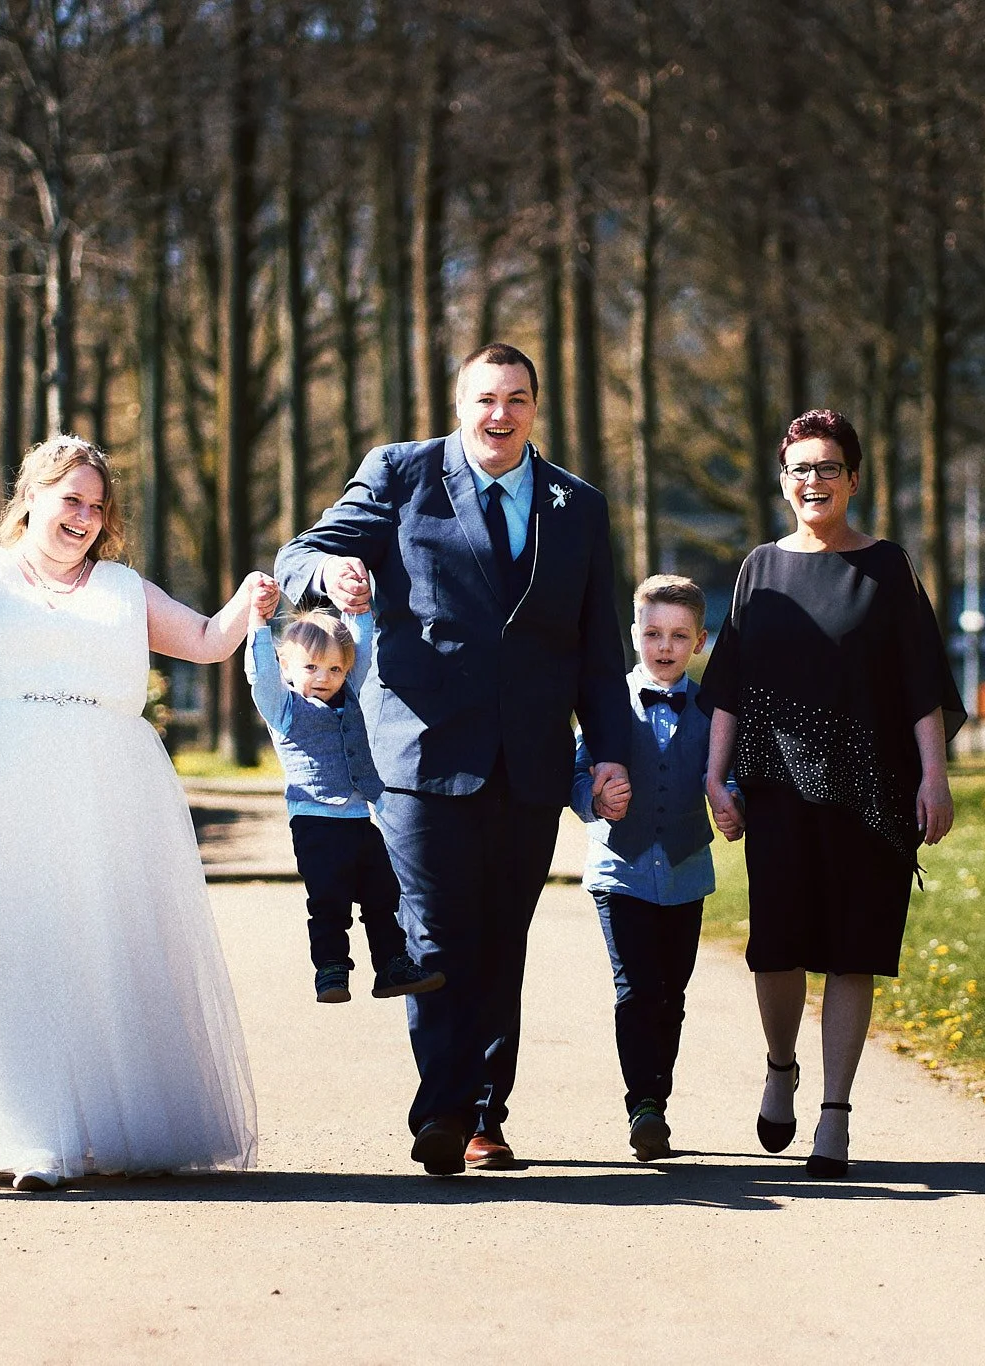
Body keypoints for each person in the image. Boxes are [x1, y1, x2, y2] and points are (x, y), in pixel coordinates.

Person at [0, 434, 273, 1190]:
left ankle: (84, 1131)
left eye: (96, 506)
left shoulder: (123, 588)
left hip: (103, 796)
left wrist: (248, 602)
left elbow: (208, 641)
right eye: (70, 500)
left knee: (91, 951)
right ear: (32, 498)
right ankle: (19, 1134)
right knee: (6, 951)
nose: (84, 517)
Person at [276, 342, 631, 1175]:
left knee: (501, 942)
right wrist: (333, 570)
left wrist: (609, 755)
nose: (498, 416)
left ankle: (485, 1115)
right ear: (459, 404)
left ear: (534, 408)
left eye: (515, 400)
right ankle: (442, 1113)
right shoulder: (402, 473)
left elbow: (594, 646)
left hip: (532, 764)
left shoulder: (575, 505)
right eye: (484, 400)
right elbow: (301, 553)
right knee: (434, 939)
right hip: (421, 757)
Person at [700, 408, 964, 1179]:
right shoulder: (759, 567)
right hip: (778, 789)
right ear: (784, 482)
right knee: (776, 951)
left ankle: (835, 1117)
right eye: (800, 470)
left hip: (874, 797)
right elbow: (729, 686)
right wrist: (715, 776)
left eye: (828, 468)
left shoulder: (889, 567)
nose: (813, 482)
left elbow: (922, 684)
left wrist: (934, 779)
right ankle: (782, 1066)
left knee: (855, 955)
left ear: (853, 478)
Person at [570, 575, 718, 1163]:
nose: (664, 646)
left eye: (679, 636)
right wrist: (595, 800)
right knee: (635, 989)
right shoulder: (607, 703)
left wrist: (730, 800)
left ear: (699, 641)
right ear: (635, 635)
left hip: (686, 869)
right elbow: (576, 774)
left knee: (670, 993)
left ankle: (660, 1094)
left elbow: (724, 772)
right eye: (653, 633)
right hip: (620, 869)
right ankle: (644, 1107)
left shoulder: (711, 710)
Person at [245, 608, 444, 1004]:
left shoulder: (348, 695)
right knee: (329, 898)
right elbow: (261, 675)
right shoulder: (283, 708)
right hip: (315, 823)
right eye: (312, 667)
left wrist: (360, 611)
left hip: (359, 817)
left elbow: (363, 651)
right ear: (287, 666)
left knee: (382, 893)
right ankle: (332, 967)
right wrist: (258, 624)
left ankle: (391, 964)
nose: (324, 678)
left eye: (335, 670)